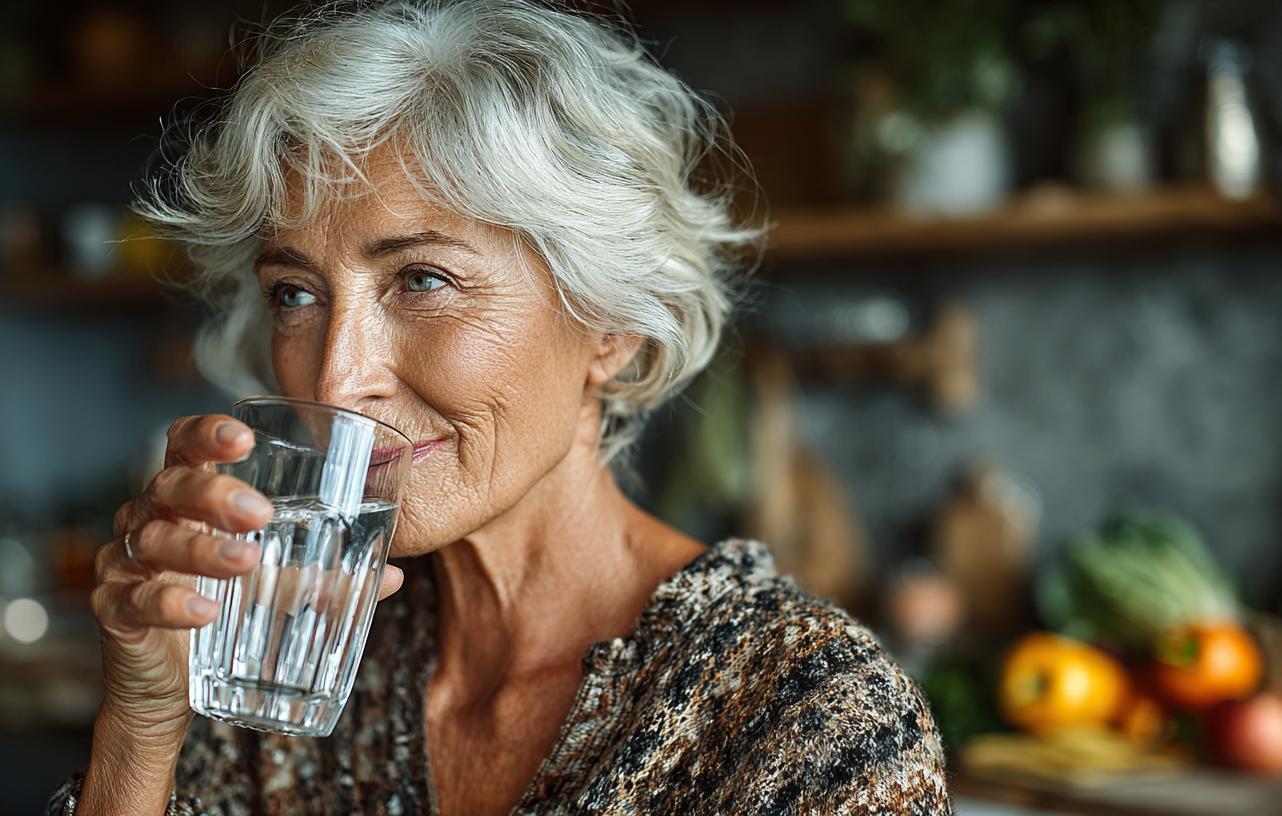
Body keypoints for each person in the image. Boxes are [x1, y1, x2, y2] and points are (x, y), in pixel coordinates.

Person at [49, 1, 951, 814]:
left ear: (611, 328)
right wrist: (141, 726)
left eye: (423, 279)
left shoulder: (808, 720)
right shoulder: (284, 656)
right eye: (296, 292)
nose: (333, 381)